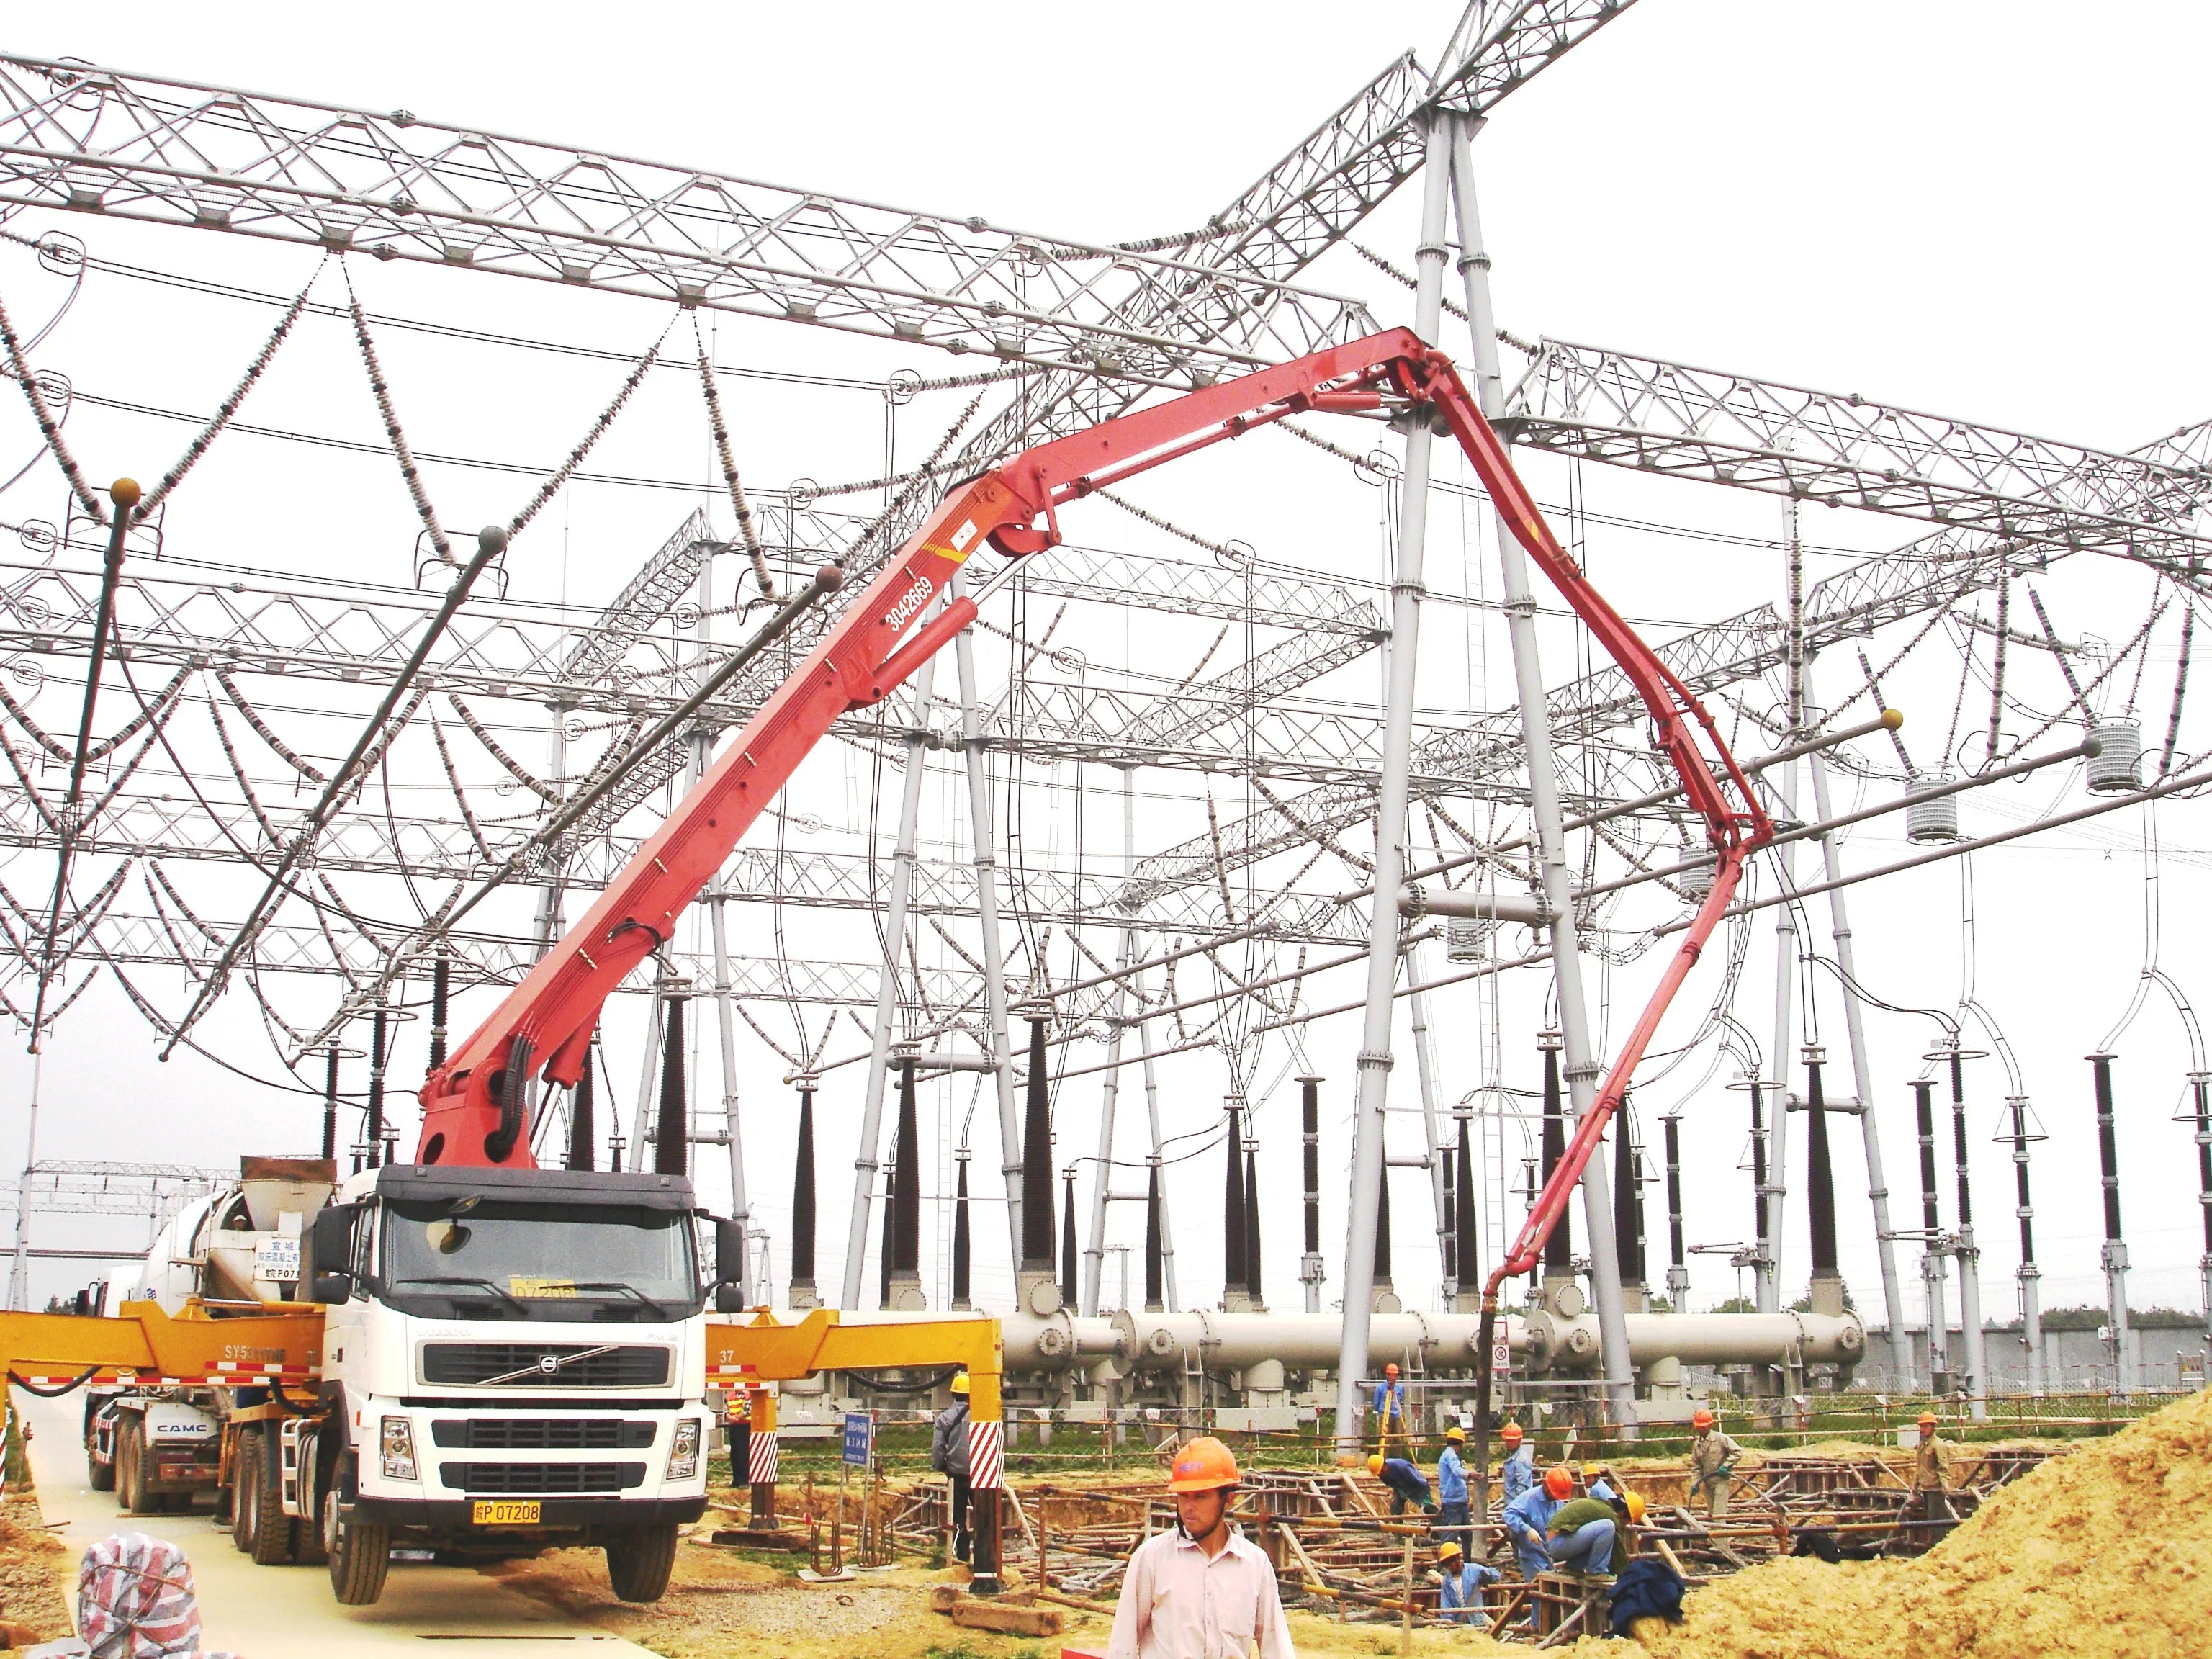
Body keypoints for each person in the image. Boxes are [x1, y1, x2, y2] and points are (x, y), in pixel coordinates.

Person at [1106, 1435, 1295, 1659]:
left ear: (1228, 1499)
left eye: (1201, 1497)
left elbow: (1276, 1647)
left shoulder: (1254, 1564)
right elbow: (1123, 1646)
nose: (1189, 1507)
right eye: (1184, 1496)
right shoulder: (1152, 1559)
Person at [1501, 1465, 1573, 1583]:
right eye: (1554, 1494)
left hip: (1551, 1556)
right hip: (1532, 1557)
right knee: (1538, 1593)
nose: (1556, 1497)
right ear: (1545, 1485)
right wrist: (1526, 1529)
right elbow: (1508, 1514)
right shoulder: (1529, 1498)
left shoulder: (1558, 1502)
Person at [930, 1371, 972, 1562]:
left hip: (955, 1474)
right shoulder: (981, 1415)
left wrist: (941, 1466)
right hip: (980, 1474)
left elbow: (938, 1447)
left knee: (957, 1517)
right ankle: (984, 1555)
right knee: (984, 1516)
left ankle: (961, 1555)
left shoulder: (945, 1418)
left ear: (953, 1393)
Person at [1904, 1411, 1957, 1547]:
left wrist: (1944, 1484)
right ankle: (1935, 1542)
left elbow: (1943, 1467)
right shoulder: (1923, 1445)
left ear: (1933, 1427)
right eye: (1921, 1427)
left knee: (1936, 1519)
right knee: (1930, 1518)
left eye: (1926, 1426)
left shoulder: (1938, 1445)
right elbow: (1920, 1467)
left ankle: (1938, 1545)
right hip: (1925, 1488)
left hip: (1935, 1488)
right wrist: (1915, 1484)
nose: (1923, 1429)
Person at [1544, 1491, 1619, 1578]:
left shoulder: (1601, 1505)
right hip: (1558, 1543)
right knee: (1608, 1526)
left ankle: (1574, 1567)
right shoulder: (1610, 1514)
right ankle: (1596, 1572)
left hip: (1556, 1542)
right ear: (1623, 1513)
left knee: (1598, 1538)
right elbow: (1618, 1550)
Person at [1688, 1408, 1742, 1519]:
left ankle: (1720, 1536)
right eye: (1699, 1427)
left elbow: (1738, 1452)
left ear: (1710, 1425)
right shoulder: (1697, 1445)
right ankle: (1715, 1536)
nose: (1701, 1429)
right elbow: (1696, 1467)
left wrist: (1726, 1466)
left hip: (1721, 1481)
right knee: (1712, 1515)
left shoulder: (1720, 1439)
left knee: (1719, 1515)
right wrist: (1695, 1483)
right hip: (1708, 1483)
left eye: (1703, 1427)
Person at [1434, 1539, 1500, 1623]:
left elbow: (1496, 1576)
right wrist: (1449, 1622)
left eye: (1450, 1564)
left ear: (1457, 1559)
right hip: (1459, 1623)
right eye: (1446, 1565)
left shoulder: (1474, 1570)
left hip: (1476, 1620)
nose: (1449, 1567)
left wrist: (1487, 1574)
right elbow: (1445, 1605)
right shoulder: (1447, 1581)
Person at [1435, 1425, 1472, 1556]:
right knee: (1450, 1536)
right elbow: (1457, 1471)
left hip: (1459, 1500)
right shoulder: (1450, 1456)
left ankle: (1467, 1563)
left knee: (1467, 1533)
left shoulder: (1449, 1455)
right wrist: (1471, 1475)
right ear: (1460, 1443)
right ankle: (1443, 1566)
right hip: (1453, 1501)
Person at [1367, 1452, 1436, 1516]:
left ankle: (1440, 1525)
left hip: (1417, 1487)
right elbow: (1392, 1484)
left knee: (1429, 1508)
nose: (1379, 1475)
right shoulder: (1383, 1475)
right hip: (1400, 1488)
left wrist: (1423, 1495)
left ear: (1384, 1466)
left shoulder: (1403, 1468)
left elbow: (1420, 1481)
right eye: (1378, 1474)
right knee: (1395, 1508)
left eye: (1380, 1472)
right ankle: (1398, 1527)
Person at [1372, 1362, 1408, 1455]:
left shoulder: (1399, 1388)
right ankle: (1384, 1460)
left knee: (1398, 1439)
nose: (1394, 1378)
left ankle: (1397, 1460)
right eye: (1392, 1375)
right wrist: (1381, 1411)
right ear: (1387, 1375)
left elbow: (1399, 1401)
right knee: (1385, 1439)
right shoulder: (1380, 1388)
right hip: (1385, 1414)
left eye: (1395, 1376)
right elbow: (1376, 1403)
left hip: (1397, 1415)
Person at [1498, 1420, 1536, 1504]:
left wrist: (1518, 1507)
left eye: (1512, 1441)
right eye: (1507, 1440)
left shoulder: (1521, 1460)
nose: (1508, 1443)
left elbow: (1523, 1487)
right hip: (1512, 1504)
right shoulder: (1513, 1458)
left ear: (1519, 1440)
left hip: (1518, 1506)